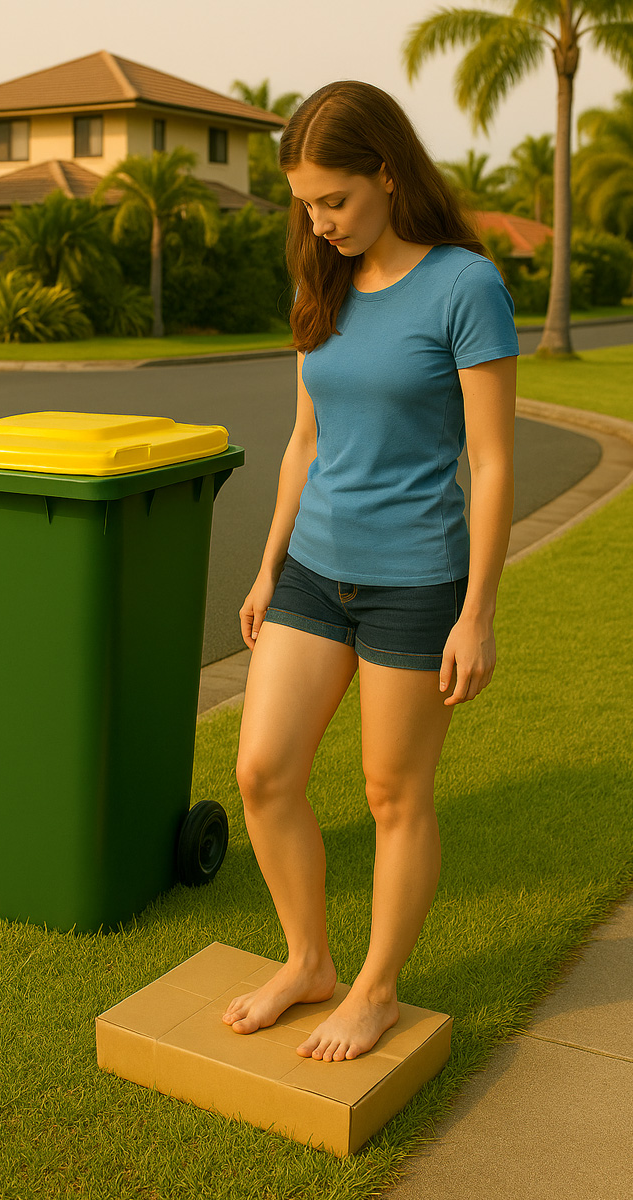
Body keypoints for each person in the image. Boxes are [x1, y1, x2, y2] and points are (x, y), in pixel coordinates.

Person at [221, 81, 519, 1063]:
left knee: (392, 794)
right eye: (306, 204)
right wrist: (268, 567)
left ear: (386, 175)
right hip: (313, 571)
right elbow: (305, 441)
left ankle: (374, 990)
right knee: (262, 772)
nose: (319, 222)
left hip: (415, 585)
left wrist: (476, 614)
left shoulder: (464, 286)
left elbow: (490, 463)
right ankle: (308, 961)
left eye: (334, 200)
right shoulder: (324, 282)